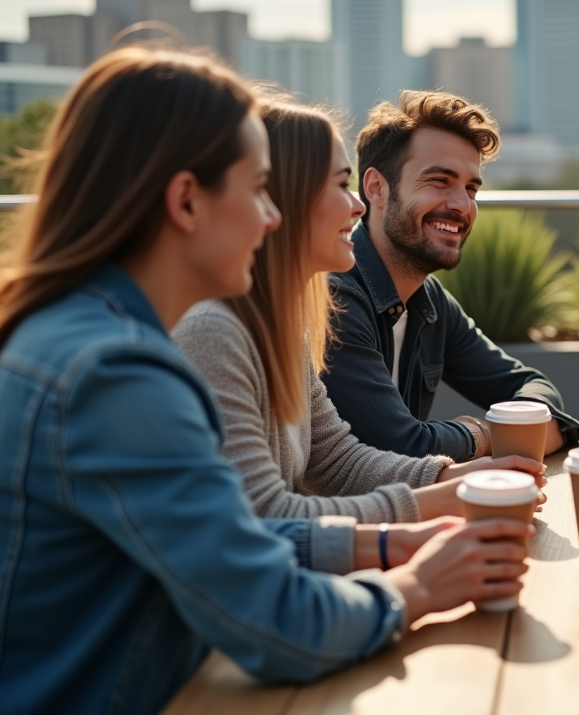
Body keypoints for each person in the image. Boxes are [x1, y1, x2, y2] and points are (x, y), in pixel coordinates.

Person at [0, 49, 531, 715]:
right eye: (258, 189)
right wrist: (418, 587)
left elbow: (228, 541)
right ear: (186, 201)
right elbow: (275, 617)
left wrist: (391, 540)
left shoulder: (85, 337)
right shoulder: (118, 374)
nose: (272, 216)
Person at [173, 97, 545, 522]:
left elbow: (337, 462)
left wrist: (454, 478)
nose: (356, 206)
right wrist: (403, 535)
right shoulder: (213, 330)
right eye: (339, 184)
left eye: (471, 189)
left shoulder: (287, 326)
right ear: (283, 198)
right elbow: (262, 517)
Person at [321, 91, 579, 463]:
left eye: (471, 188)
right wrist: (489, 434)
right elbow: (397, 447)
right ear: (376, 188)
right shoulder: (336, 298)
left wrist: (498, 431)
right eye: (440, 181)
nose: (463, 205)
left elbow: (532, 388)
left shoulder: (429, 302)